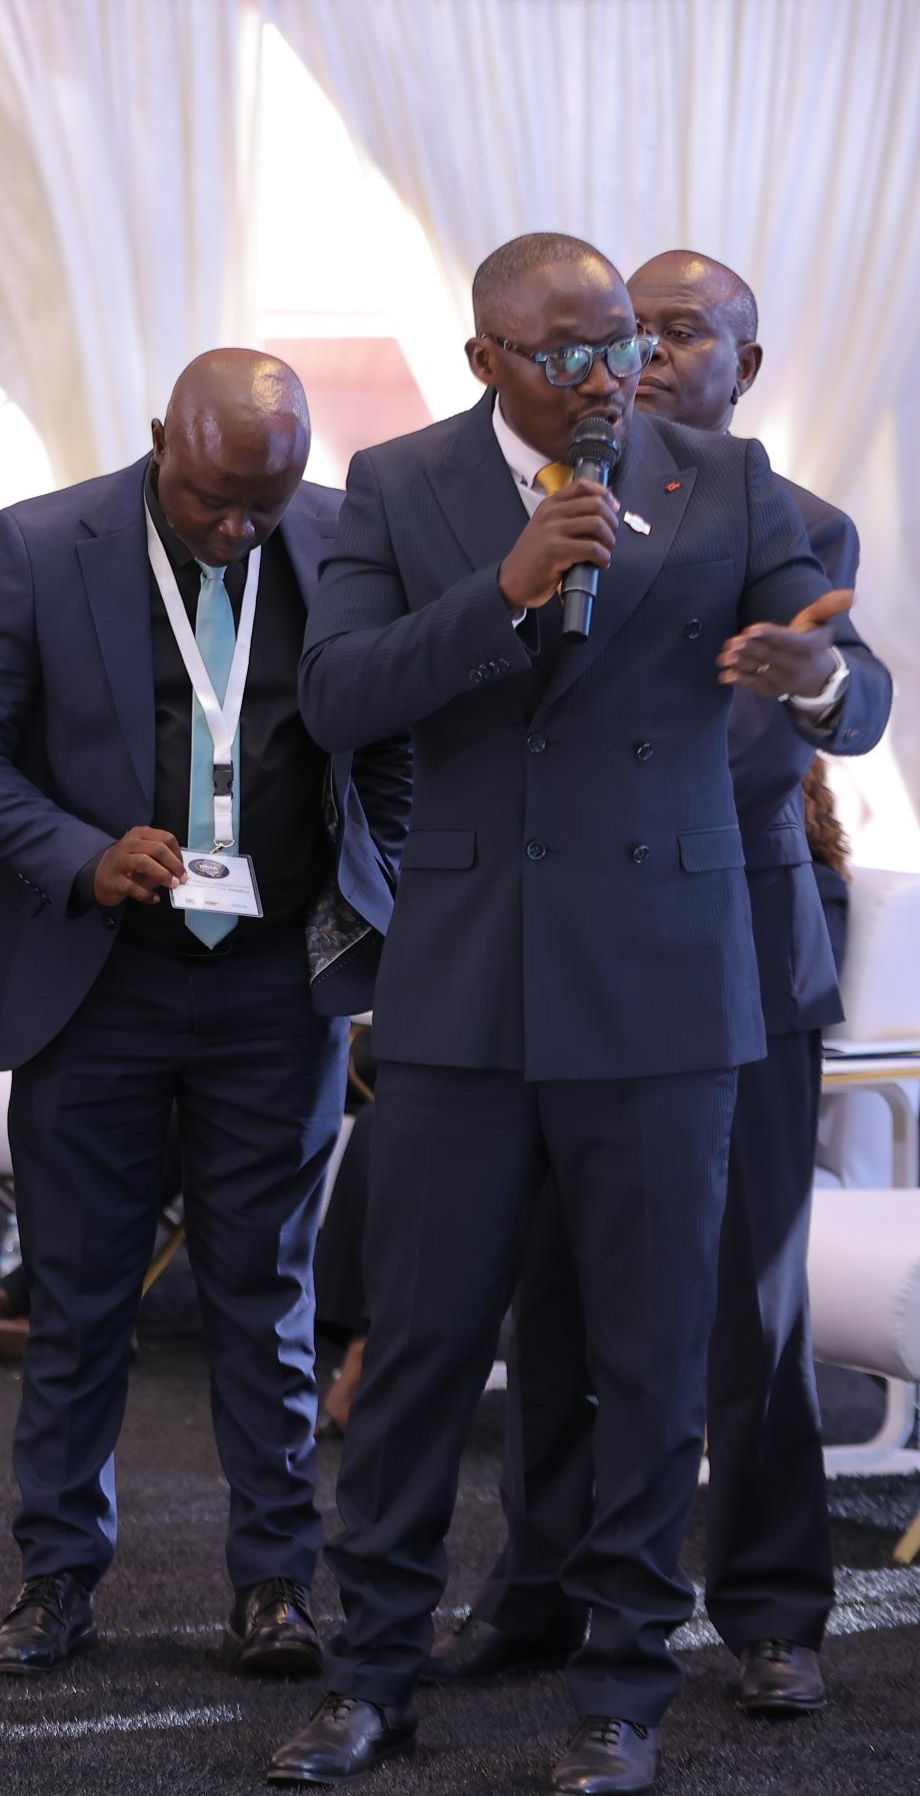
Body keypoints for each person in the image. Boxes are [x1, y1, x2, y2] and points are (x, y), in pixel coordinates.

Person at [266, 234, 860, 1794]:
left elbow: (854, 685)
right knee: (420, 1357)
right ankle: (371, 1679)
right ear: (487, 359)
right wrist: (506, 588)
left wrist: (812, 679)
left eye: (622, 346)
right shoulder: (399, 484)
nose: (609, 377)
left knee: (656, 1363)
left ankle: (623, 1694)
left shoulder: (725, 481)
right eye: (570, 353)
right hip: (465, 983)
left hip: (664, 985)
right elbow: (337, 698)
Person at [438, 251, 890, 1722]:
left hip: (730, 945)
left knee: (746, 1304)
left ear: (744, 369)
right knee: (553, 1297)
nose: (643, 357)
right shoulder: (536, 510)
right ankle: (541, 1589)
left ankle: (770, 1610)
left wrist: (810, 680)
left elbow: (804, 720)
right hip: (556, 950)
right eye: (630, 332)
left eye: (682, 333)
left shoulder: (784, 515)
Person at [0, 350, 408, 1685]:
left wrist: (386, 893)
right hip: (99, 980)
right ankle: (56, 1579)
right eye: (210, 501)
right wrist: (79, 852)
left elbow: (393, 742)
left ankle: (276, 1585)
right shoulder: (38, 546)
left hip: (276, 983)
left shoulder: (345, 542)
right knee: (78, 1293)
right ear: (157, 442)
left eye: (266, 502)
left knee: (267, 1293)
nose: (238, 528)